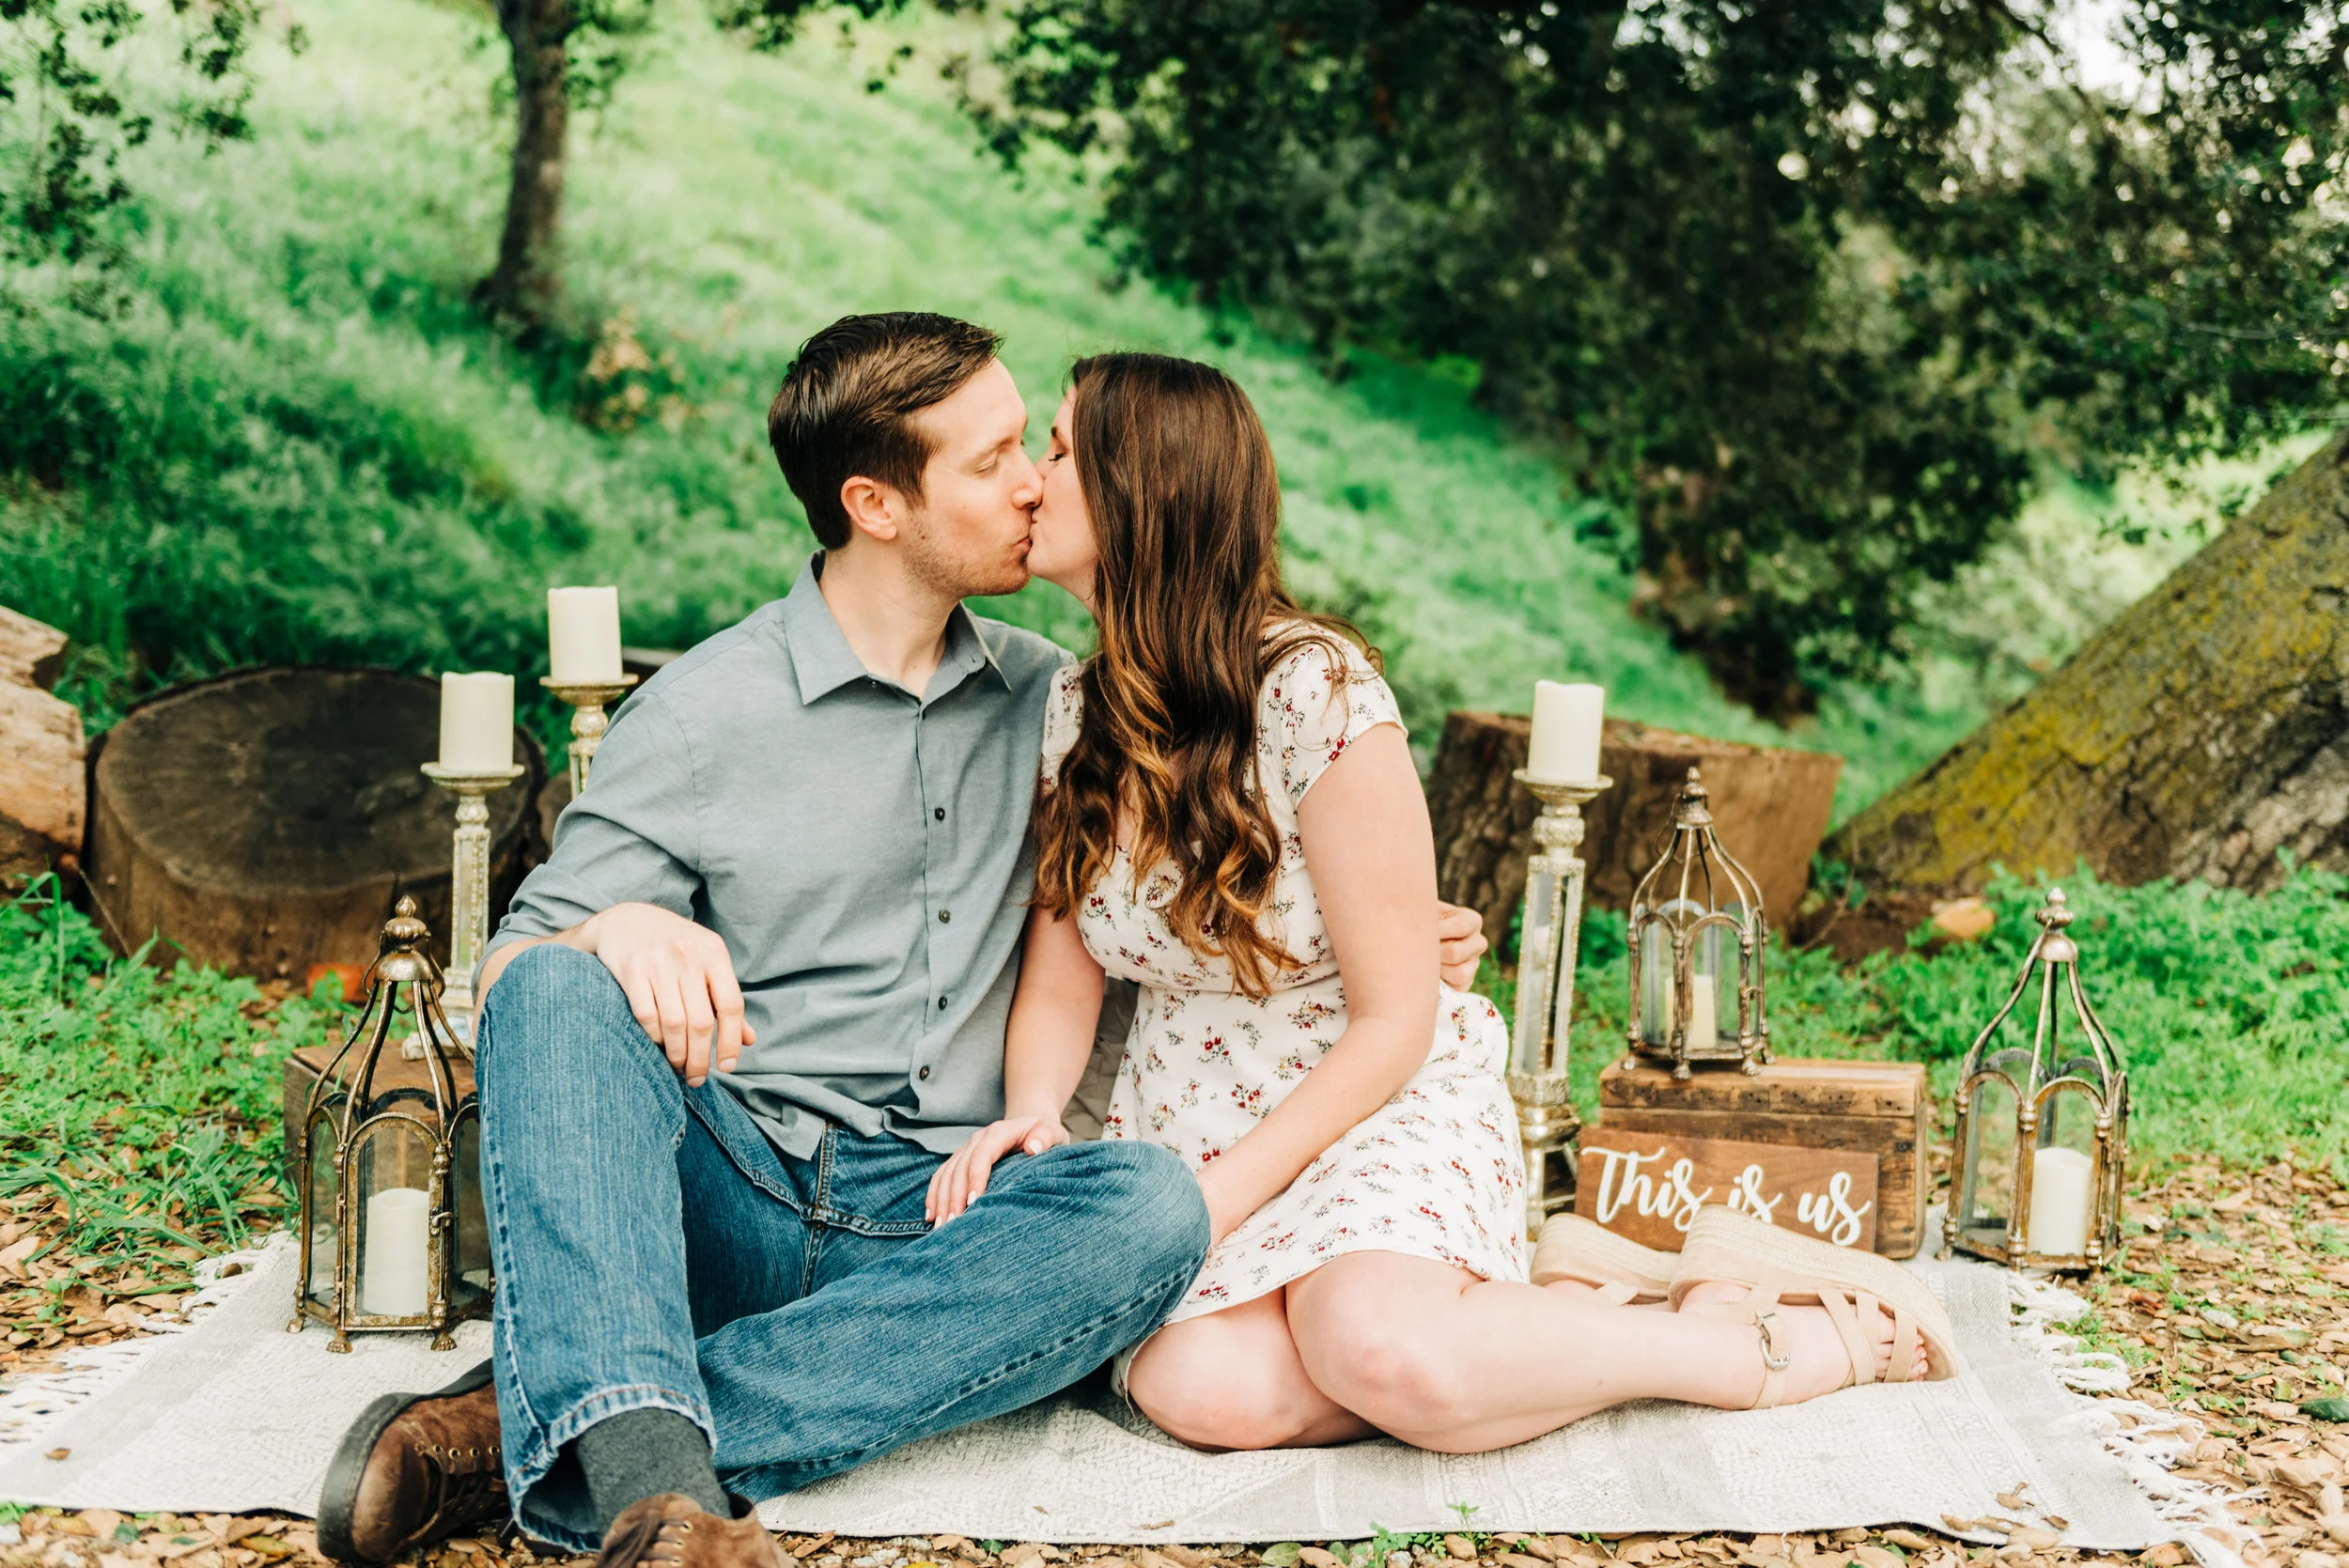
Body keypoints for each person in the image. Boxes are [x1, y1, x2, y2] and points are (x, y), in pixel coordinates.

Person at [313, 314, 1493, 1568]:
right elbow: (508, 979)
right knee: (555, 982)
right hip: (745, 1188)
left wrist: (1370, 927)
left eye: (1032, 448)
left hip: (962, 1210)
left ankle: (554, 1441)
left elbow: (1203, 874)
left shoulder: (1065, 697)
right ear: (877, 503)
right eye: (993, 462)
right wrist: (619, 923)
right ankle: (657, 1488)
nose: (1034, 480)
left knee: (1150, 1204)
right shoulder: (704, 710)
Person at [926, 352, 1961, 1456]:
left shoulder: (1315, 690)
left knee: (1379, 1352)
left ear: (1147, 491)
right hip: (1188, 1108)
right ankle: (1566, 1313)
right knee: (1201, 1391)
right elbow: (1061, 973)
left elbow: (1394, 1019)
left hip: (1367, 1095)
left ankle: (1750, 1344)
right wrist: (1034, 1113)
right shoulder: (1076, 711)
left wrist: (1217, 1203)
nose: (1034, 480)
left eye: (1059, 451)